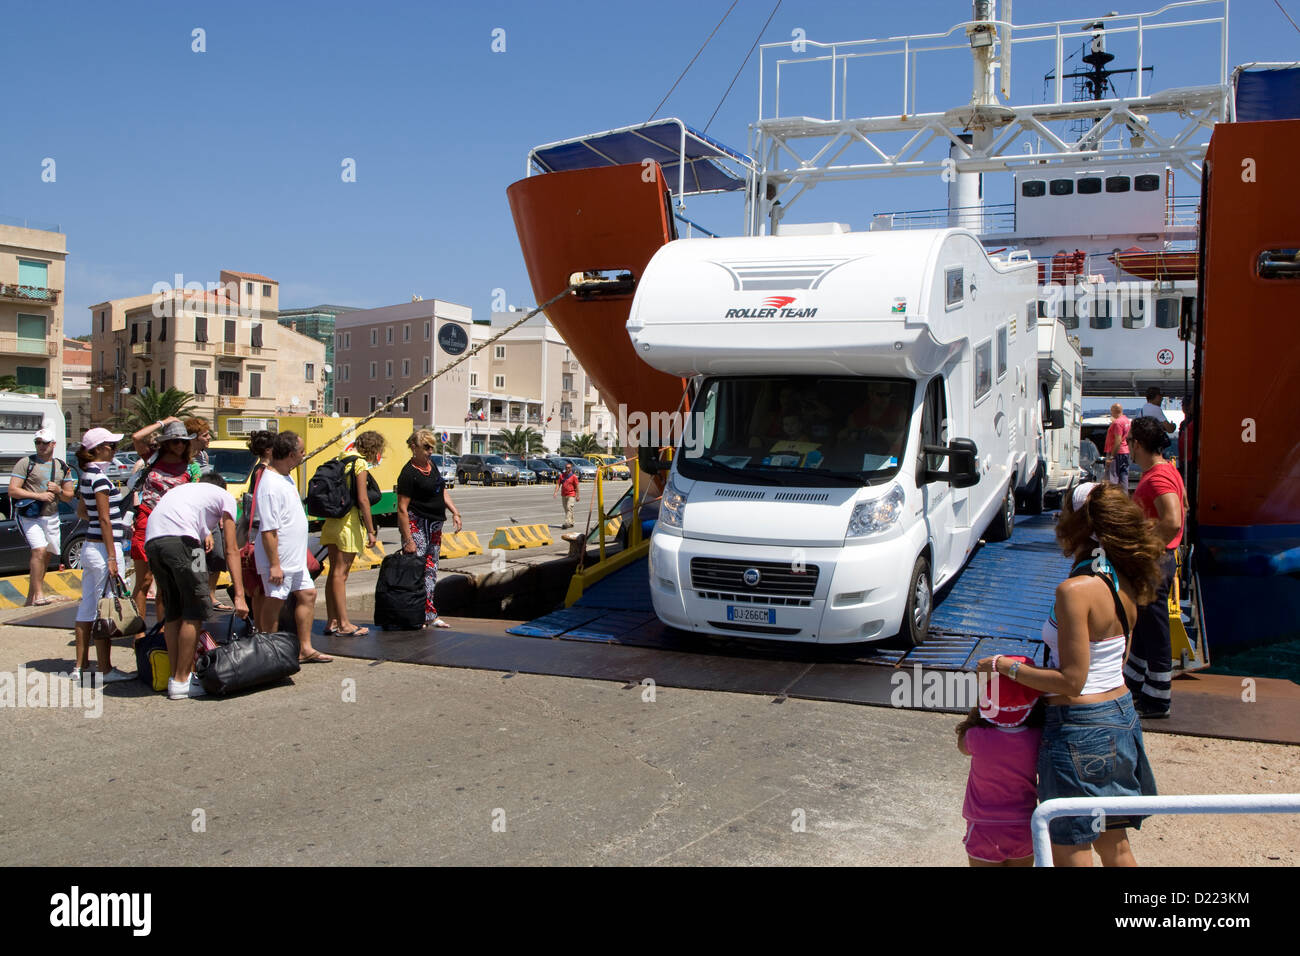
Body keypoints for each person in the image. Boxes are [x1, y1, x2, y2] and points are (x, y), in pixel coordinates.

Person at [977, 482, 1163, 866]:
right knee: (1114, 843)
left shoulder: (1075, 590)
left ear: (1079, 524)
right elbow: (1115, 658)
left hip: (1080, 727)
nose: (1058, 519)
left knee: (1070, 845)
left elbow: (1071, 680)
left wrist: (1003, 666)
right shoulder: (1123, 580)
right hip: (1119, 717)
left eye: (1063, 512)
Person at [145, 474, 249, 699]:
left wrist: (200, 570)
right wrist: (239, 595)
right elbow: (231, 549)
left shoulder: (185, 494)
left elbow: (197, 548)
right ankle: (183, 681)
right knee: (194, 611)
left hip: (153, 542)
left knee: (173, 613)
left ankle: (175, 677)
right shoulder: (225, 497)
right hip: (180, 541)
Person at [1126, 416, 1188, 719]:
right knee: (1144, 624)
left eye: (1129, 443)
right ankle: (1134, 684)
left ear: (1138, 444)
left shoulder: (1155, 478)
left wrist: (1147, 544)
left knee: (1155, 627)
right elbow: (1184, 507)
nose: (1128, 449)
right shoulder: (1169, 470)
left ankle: (1157, 699)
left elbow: (1174, 519)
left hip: (1156, 559)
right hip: (1164, 557)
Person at [954, 668, 1044, 867]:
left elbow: (962, 746)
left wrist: (974, 717)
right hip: (1023, 824)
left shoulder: (976, 737)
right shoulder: (1036, 737)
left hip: (983, 826)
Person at [255, 431, 330, 662]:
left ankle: (304, 648)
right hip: (279, 558)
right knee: (275, 599)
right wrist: (275, 564)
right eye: (302, 451)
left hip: (294, 557)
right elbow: (268, 530)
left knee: (308, 594)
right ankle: (269, 649)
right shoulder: (269, 484)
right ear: (290, 454)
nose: (305, 455)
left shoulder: (286, 476)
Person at [72, 428, 134, 685]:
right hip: (104, 548)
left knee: (88, 606)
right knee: (105, 608)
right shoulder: (98, 478)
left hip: (91, 546)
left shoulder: (87, 475)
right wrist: (112, 555)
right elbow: (105, 519)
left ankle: (81, 666)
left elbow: (82, 511)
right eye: (110, 445)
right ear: (96, 450)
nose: (114, 450)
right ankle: (105, 668)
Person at [127, 418, 194, 621]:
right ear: (166, 443)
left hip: (173, 526)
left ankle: (164, 629)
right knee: (144, 581)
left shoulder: (189, 465)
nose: (180, 445)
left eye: (183, 441)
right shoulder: (152, 457)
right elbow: (137, 437)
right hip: (147, 520)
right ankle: (138, 632)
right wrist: (163, 422)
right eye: (175, 441)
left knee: (166, 583)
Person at [320, 430, 385, 637]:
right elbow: (363, 499)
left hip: (332, 521)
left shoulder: (341, 458)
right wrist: (371, 530)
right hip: (348, 524)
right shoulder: (359, 464)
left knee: (333, 574)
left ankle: (332, 620)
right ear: (374, 449)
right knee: (342, 574)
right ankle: (344, 624)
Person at [396, 428, 463, 629]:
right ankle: (415, 613)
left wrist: (455, 512)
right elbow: (402, 509)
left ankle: (429, 613)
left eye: (432, 447)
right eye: (426, 447)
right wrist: (407, 539)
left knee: (431, 569)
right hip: (418, 524)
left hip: (434, 524)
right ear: (414, 447)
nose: (430, 451)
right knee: (417, 569)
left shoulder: (431, 465)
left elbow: (441, 491)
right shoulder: (408, 474)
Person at [8, 427, 76, 607]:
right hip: (29, 516)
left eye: (44, 443)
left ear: (53, 444)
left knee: (47, 554)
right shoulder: (26, 463)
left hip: (51, 515)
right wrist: (38, 496)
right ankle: (38, 595)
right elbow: (13, 490)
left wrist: (58, 490)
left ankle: (32, 596)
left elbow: (69, 495)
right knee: (38, 550)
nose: (40, 446)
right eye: (37, 442)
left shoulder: (62, 466)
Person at [239, 430, 276, 625]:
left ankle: (260, 629)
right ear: (269, 450)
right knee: (261, 590)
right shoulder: (263, 471)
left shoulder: (259, 470)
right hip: (259, 533)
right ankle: (261, 629)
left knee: (259, 589)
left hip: (255, 532)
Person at [1103, 402, 1131, 491]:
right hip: (1125, 451)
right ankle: (1124, 498)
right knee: (1124, 476)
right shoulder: (1127, 420)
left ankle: (1114, 500)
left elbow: (1117, 441)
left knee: (1113, 478)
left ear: (1114, 411)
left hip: (1117, 452)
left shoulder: (1117, 423)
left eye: (1111, 411)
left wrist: (1111, 456)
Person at [554, 462, 580, 529]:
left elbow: (577, 487)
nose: (567, 469)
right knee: (567, 510)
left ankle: (567, 523)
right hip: (564, 495)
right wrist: (555, 492)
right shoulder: (561, 476)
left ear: (571, 468)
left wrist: (578, 495)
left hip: (571, 494)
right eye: (566, 468)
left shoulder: (574, 477)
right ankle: (571, 522)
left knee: (569, 507)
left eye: (569, 467)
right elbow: (558, 484)